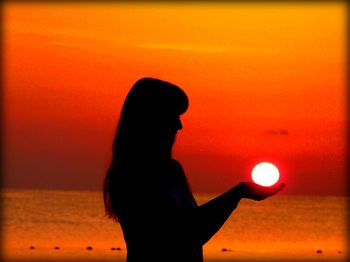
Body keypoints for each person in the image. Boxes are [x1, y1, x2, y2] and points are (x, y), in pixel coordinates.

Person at [103, 77, 285, 262]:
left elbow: (191, 226)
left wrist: (239, 193)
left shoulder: (172, 170)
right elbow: (183, 235)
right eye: (173, 116)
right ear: (151, 118)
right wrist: (238, 193)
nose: (179, 126)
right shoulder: (128, 174)